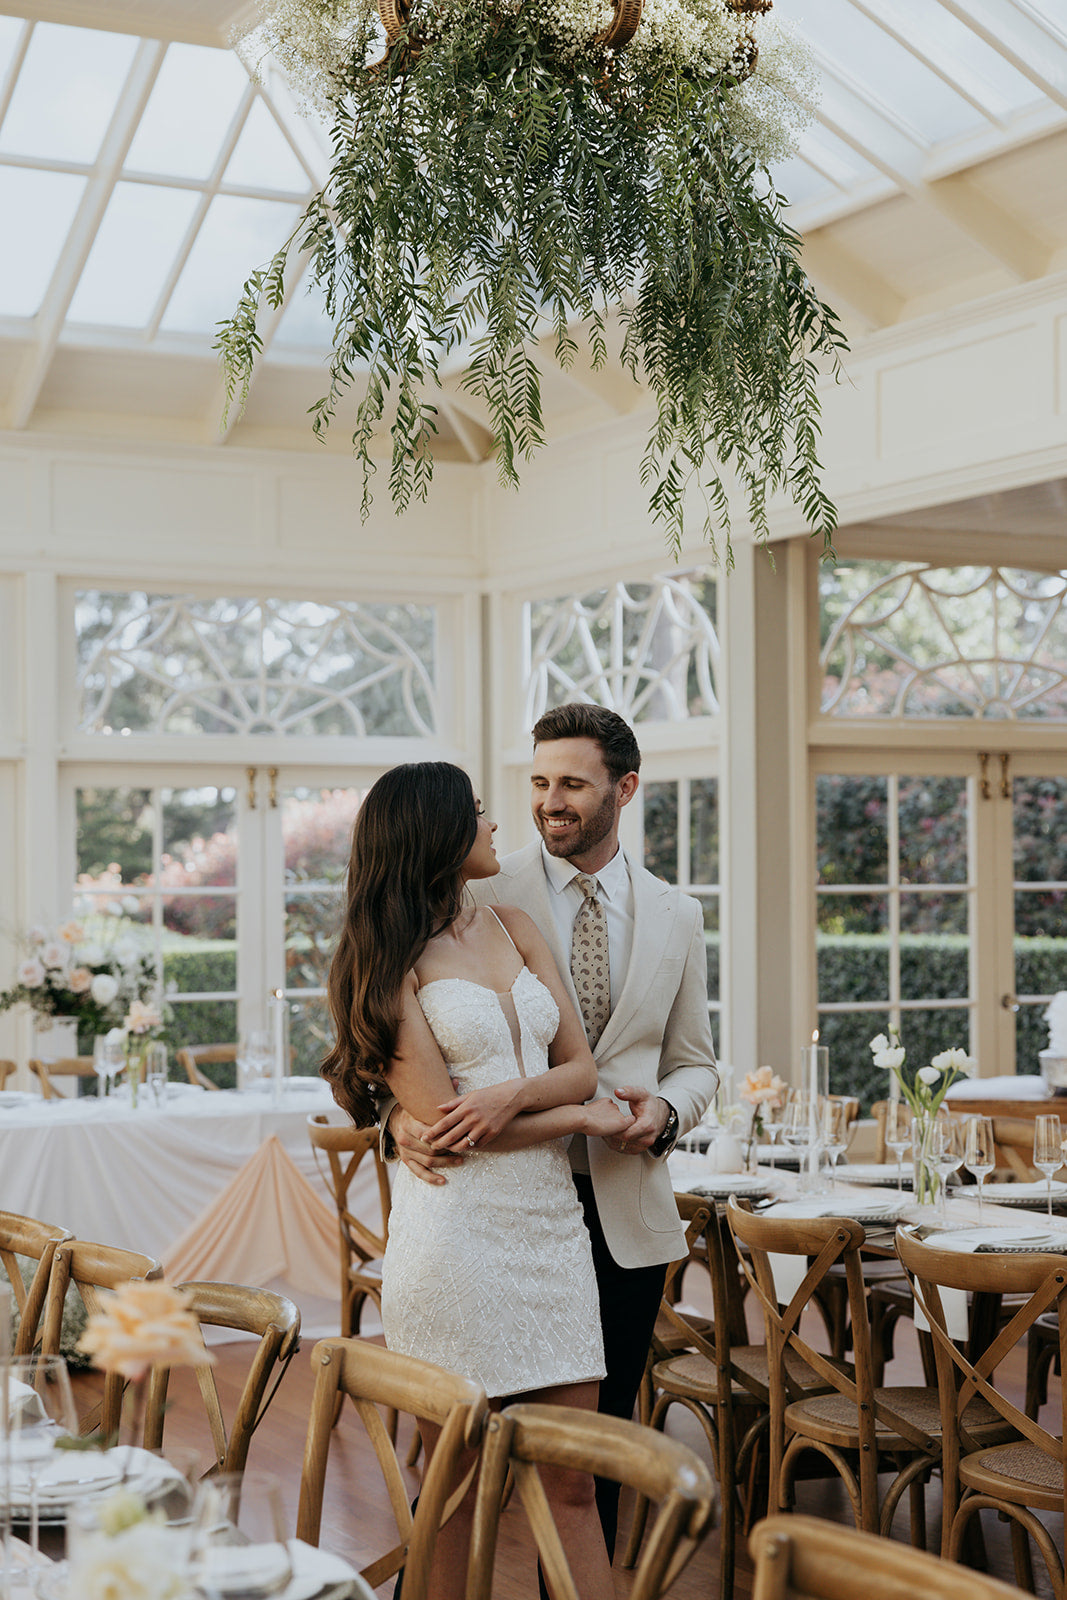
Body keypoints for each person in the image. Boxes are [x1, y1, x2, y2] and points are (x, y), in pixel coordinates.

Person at [388, 704, 719, 1559]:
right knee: (465, 1469)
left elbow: (696, 1061)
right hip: (490, 1200)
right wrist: (399, 1119)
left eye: (571, 784)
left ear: (624, 788)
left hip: (620, 1205)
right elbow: (380, 1045)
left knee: (590, 1464)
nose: (548, 803)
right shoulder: (480, 892)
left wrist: (667, 1111)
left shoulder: (678, 915)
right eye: (537, 784)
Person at [322, 760, 632, 1600]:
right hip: (457, 1238)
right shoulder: (387, 961)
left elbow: (578, 1068)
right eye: (480, 814)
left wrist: (523, 1095)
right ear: (436, 833)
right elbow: (448, 1132)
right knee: (457, 1490)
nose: (498, 825)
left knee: (572, 1480)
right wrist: (577, 1117)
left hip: (549, 1237)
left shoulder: (516, 925)